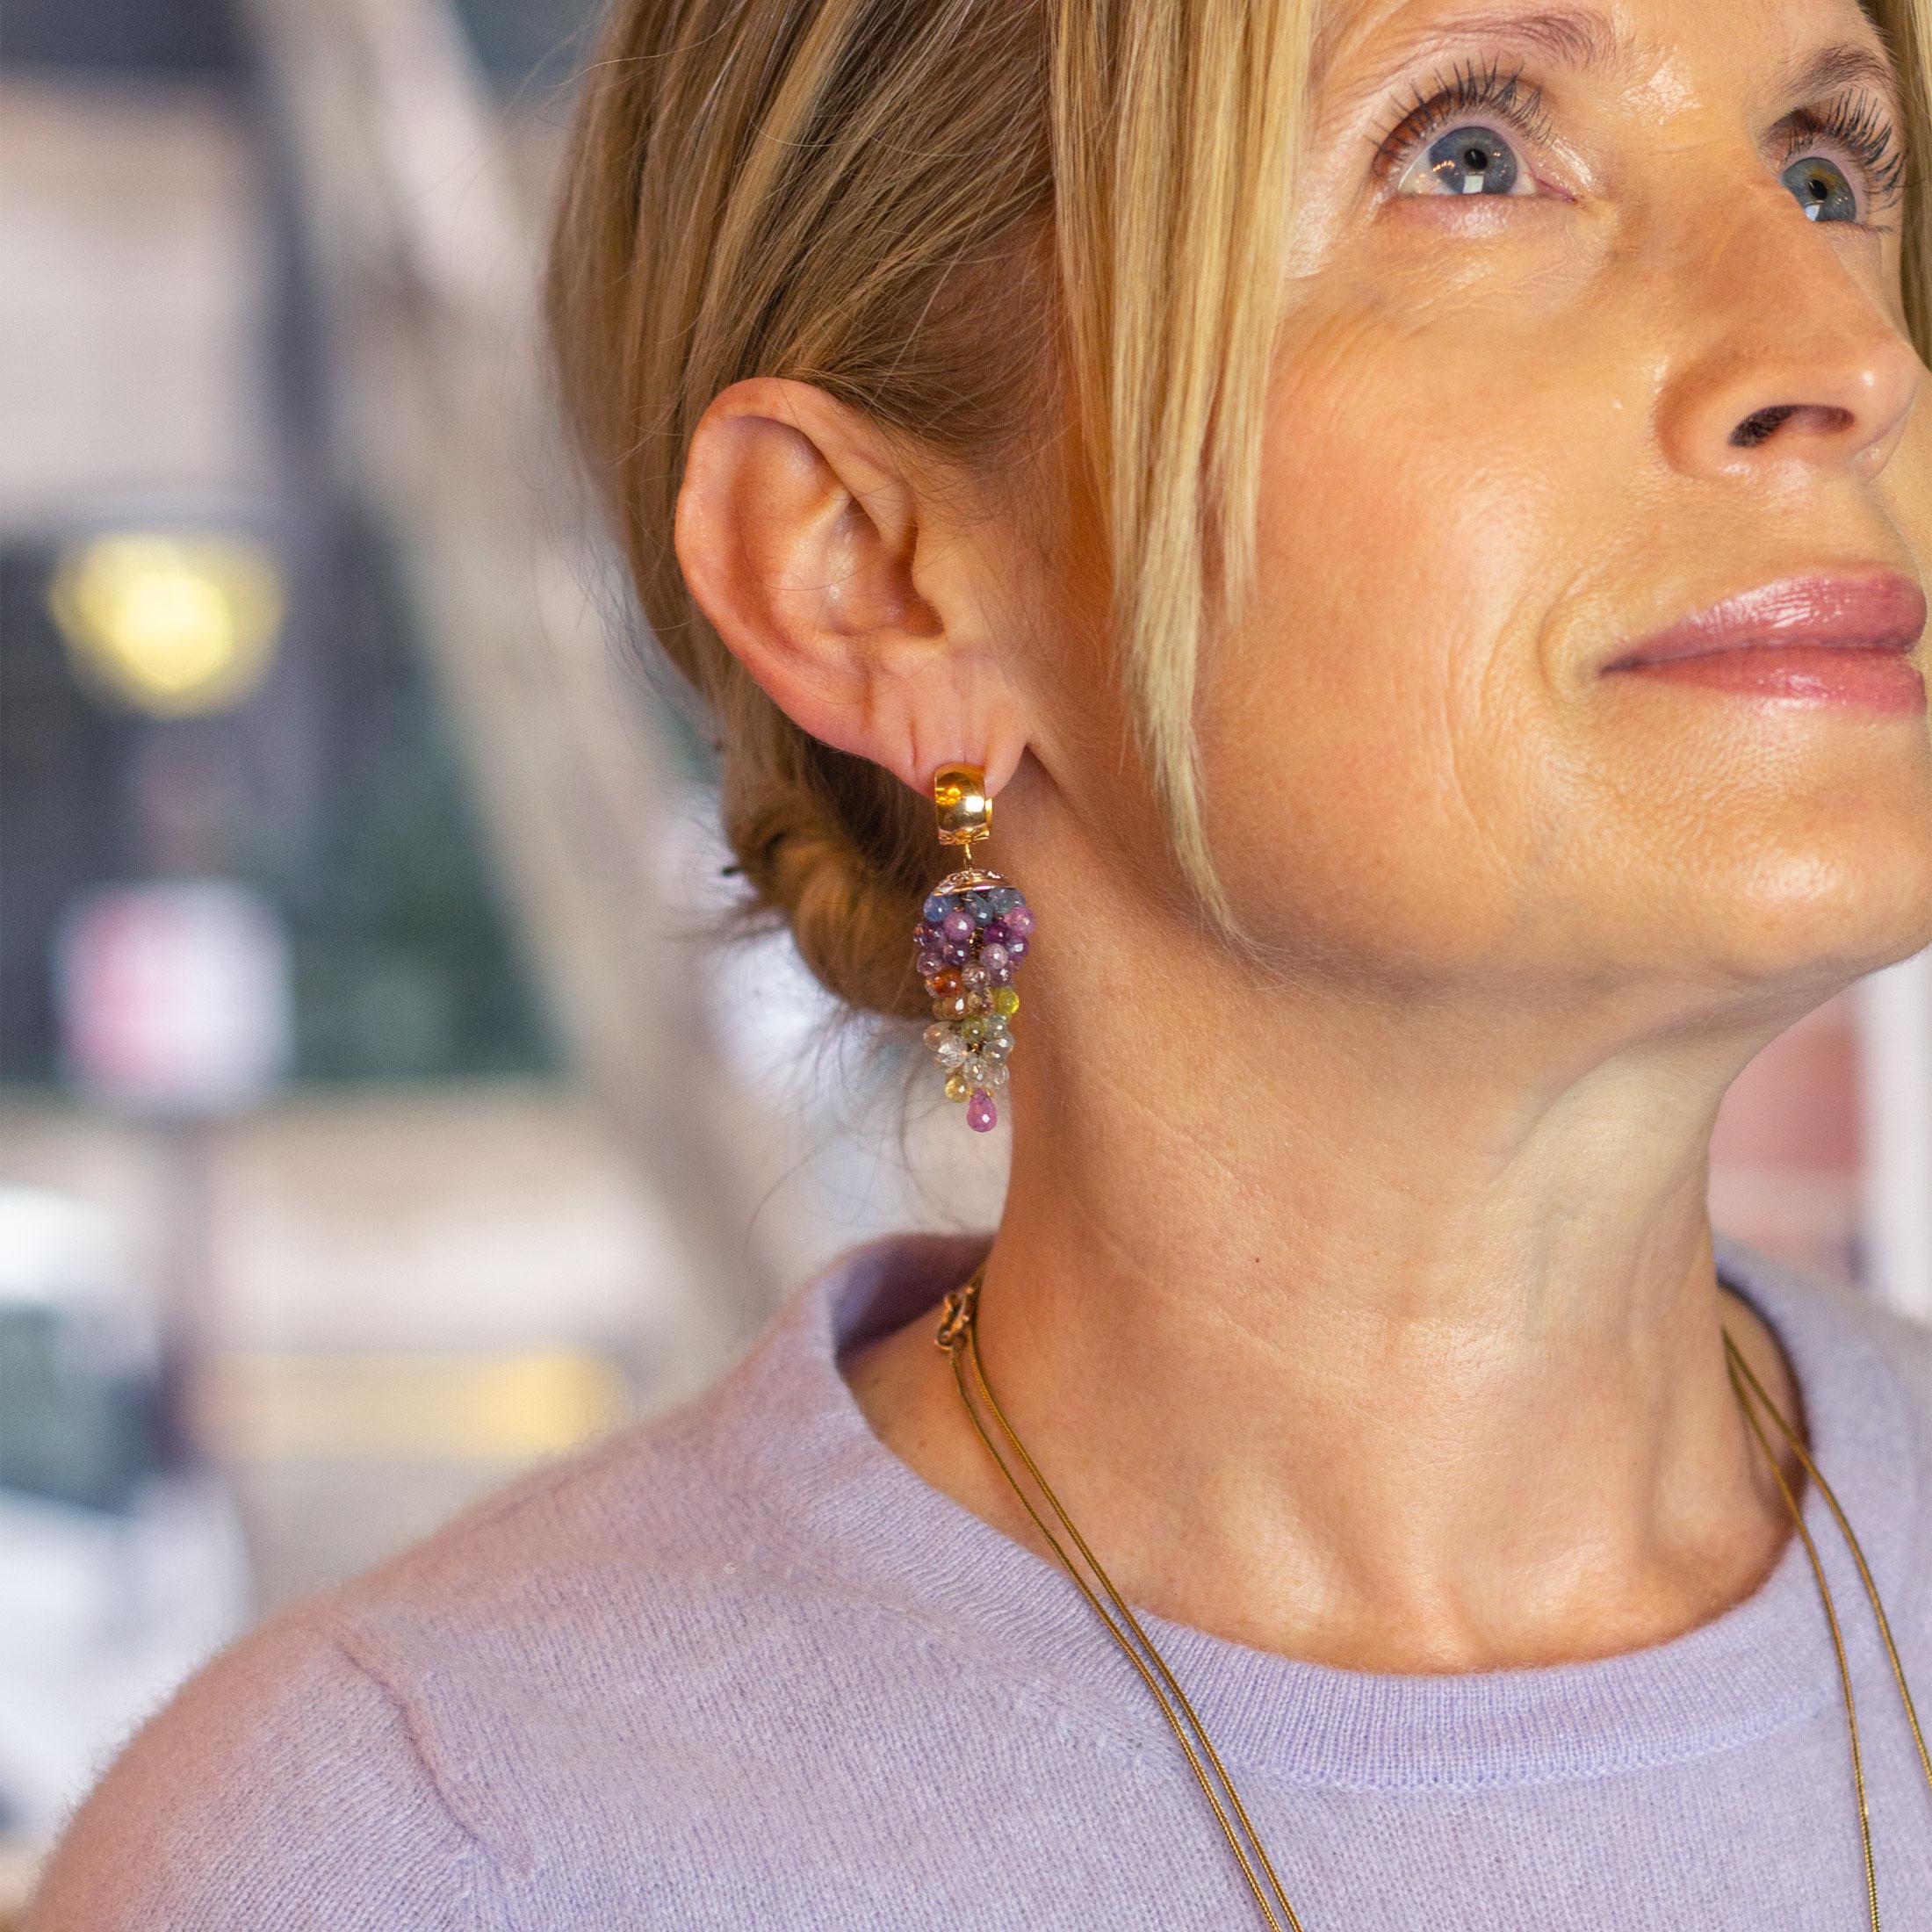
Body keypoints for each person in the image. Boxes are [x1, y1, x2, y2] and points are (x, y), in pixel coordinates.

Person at [28, 0, 1932, 1924]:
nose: (1844, 353)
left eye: (1822, 167)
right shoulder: (409, 1856)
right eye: (1465, 153)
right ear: (863, 569)